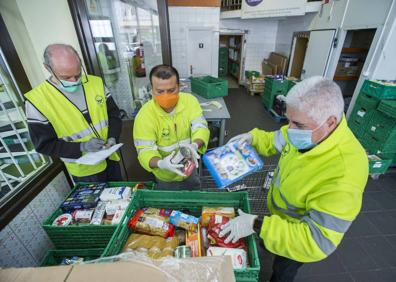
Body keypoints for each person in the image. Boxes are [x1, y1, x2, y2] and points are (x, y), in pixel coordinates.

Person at [220, 76, 368, 281]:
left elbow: (316, 241)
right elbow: (277, 139)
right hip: (278, 219)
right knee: (272, 249)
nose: (290, 130)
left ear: (330, 122)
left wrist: (258, 224)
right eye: (289, 120)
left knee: (283, 270)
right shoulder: (308, 131)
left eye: (297, 124)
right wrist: (254, 138)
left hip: (298, 235)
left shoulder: (344, 173)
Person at [25, 43, 122, 182]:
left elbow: (114, 115)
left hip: (110, 157)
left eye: (78, 74)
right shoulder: (37, 101)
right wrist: (82, 146)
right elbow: (44, 145)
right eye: (66, 77)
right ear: (48, 68)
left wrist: (112, 136)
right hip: (84, 170)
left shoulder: (96, 83)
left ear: (80, 62)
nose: (74, 81)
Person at [133, 64, 210, 189]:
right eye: (160, 91)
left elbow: (200, 127)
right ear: (152, 90)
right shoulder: (144, 116)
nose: (166, 96)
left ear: (179, 87)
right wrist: (161, 163)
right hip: (165, 176)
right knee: (169, 205)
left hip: (189, 169)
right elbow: (144, 150)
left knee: (194, 199)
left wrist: (194, 145)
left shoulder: (190, 101)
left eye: (171, 90)